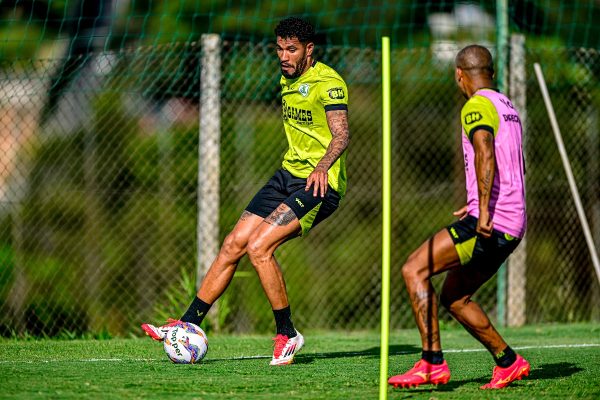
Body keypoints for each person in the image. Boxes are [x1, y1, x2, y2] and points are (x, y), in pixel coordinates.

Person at [141, 17, 350, 366]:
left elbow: (341, 134)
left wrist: (322, 166)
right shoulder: (287, 76)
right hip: (287, 175)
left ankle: (288, 333)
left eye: (292, 49)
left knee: (259, 247)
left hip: (319, 185)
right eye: (280, 48)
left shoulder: (328, 83)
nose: (284, 56)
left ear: (309, 50)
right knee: (233, 244)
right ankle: (187, 323)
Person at [388, 44, 530, 389]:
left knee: (414, 269)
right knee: (455, 297)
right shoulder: (505, 105)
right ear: (492, 73)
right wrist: (476, 201)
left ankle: (431, 363)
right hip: (513, 222)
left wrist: (482, 210)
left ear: (459, 75)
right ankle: (509, 362)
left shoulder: (475, 105)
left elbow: (485, 152)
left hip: (492, 221)